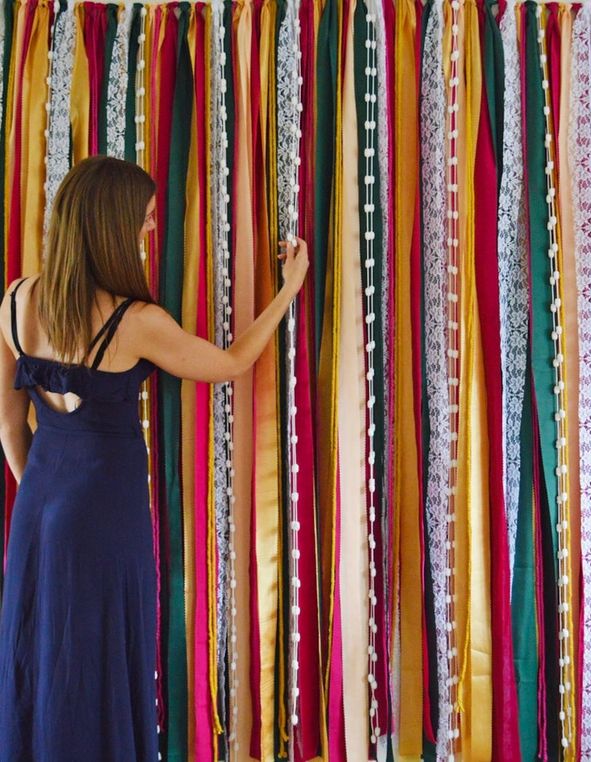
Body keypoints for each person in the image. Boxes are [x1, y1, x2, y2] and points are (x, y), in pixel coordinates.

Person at [0, 154, 309, 760]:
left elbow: (10, 428)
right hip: (104, 515)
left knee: (41, 654)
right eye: (142, 219)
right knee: (103, 657)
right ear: (111, 229)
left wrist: (45, 500)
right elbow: (229, 365)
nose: (150, 229)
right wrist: (289, 289)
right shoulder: (135, 321)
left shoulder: (14, 300)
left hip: (37, 508)